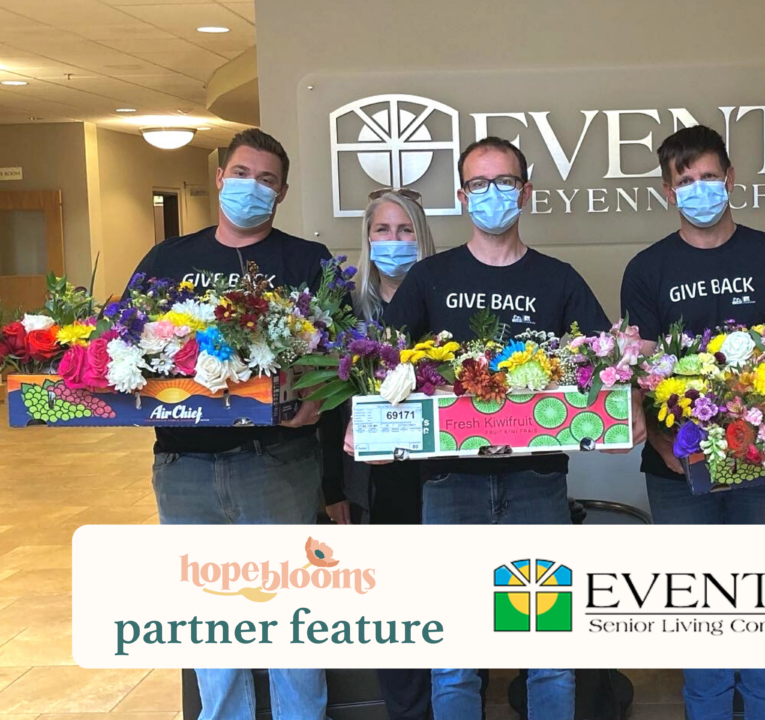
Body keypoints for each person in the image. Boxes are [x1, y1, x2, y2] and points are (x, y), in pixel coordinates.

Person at [384, 136, 611, 720]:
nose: (492, 195)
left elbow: (603, 364)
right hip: (447, 485)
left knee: (548, 655)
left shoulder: (559, 281)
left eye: (504, 183)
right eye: (479, 185)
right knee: (456, 656)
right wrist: (367, 425)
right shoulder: (429, 279)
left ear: (526, 193)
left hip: (536, 484)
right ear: (462, 197)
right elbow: (379, 367)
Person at [129, 128, 338, 720]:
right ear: (221, 178)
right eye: (242, 173)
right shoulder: (169, 260)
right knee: (209, 623)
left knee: (292, 619)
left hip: (276, 461)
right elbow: (124, 344)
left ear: (283, 192)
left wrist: (319, 400)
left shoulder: (306, 261)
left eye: (266, 180)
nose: (253, 187)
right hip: (183, 465)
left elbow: (343, 355)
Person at [620, 125, 765, 720]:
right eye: (685, 181)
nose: (698, 188)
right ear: (667, 191)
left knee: (764, 607)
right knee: (699, 612)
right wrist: (662, 441)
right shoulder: (646, 269)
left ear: (730, 178)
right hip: (678, 471)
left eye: (708, 177)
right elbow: (642, 371)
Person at [334, 189, 436, 720]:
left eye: (405, 231)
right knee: (396, 614)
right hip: (374, 486)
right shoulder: (345, 311)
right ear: (367, 240)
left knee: (450, 605)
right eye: (383, 231)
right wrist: (334, 490)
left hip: (441, 479)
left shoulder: (446, 298)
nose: (394, 242)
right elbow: (329, 409)